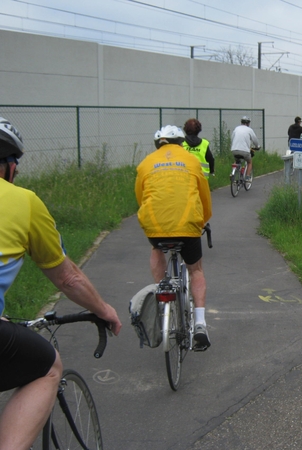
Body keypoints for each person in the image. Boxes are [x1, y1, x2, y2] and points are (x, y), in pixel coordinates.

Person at [0, 117, 122, 450]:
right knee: (48, 367)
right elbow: (67, 277)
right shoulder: (23, 201)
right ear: (8, 166)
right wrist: (105, 310)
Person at [135, 124, 212, 351]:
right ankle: (200, 323)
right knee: (195, 270)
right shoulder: (191, 161)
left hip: (155, 225)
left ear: (158, 144)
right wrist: (203, 220)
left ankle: (161, 293)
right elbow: (204, 197)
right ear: (181, 142)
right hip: (188, 226)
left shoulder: (145, 163)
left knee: (156, 249)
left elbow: (141, 197)